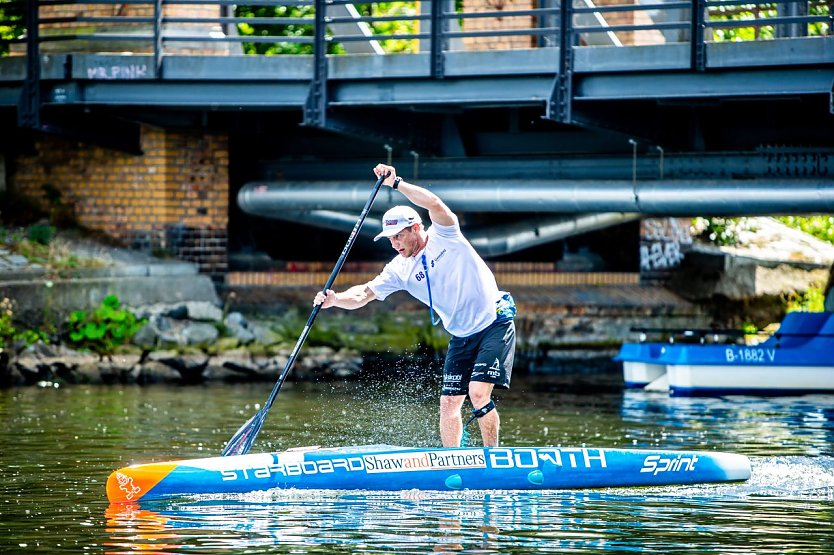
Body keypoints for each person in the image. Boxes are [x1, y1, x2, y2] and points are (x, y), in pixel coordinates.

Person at [313, 163, 516, 447]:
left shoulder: (446, 234)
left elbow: (433, 203)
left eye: (398, 236)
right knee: (448, 403)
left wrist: (396, 184)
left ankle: (493, 460)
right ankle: (452, 463)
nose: (394, 244)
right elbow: (365, 293)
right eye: (390, 239)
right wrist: (335, 299)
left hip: (494, 321)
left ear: (416, 228)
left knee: (478, 393)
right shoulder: (399, 269)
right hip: (461, 333)